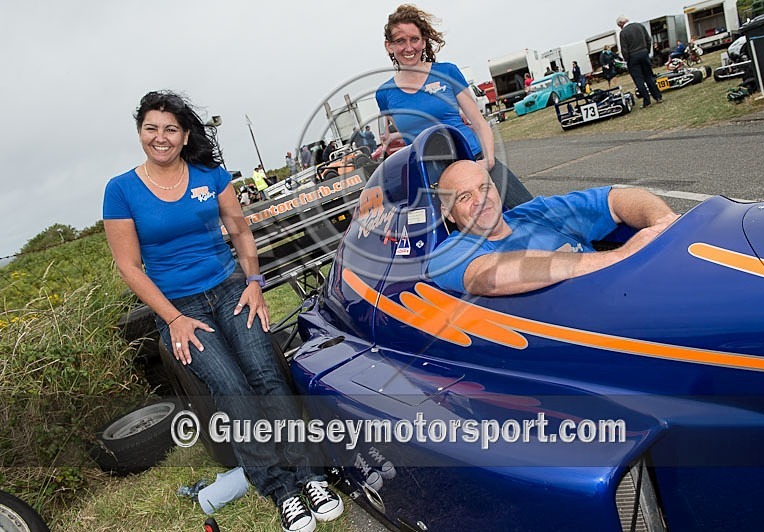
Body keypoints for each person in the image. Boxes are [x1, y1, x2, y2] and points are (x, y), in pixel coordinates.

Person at [102, 90, 343, 532]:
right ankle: (281, 490)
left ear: (185, 133)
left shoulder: (209, 175)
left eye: (170, 129)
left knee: (266, 375)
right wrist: (172, 318)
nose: (161, 137)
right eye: (151, 128)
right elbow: (128, 266)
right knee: (231, 388)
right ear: (140, 133)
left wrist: (254, 283)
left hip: (231, 289)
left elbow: (240, 230)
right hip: (180, 310)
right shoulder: (120, 191)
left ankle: (310, 476)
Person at [427, 160, 678, 295]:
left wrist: (664, 221)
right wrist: (622, 256)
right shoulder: (449, 253)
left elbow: (617, 198)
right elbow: (490, 277)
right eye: (464, 197)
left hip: (633, 290)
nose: (480, 200)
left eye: (484, 188)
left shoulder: (536, 211)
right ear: (448, 213)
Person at [376, 4, 532, 209]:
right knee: (467, 239)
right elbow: (412, 134)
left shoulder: (447, 72)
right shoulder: (384, 94)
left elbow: (478, 122)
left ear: (423, 41)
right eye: (400, 41)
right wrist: (390, 140)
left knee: (531, 216)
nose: (409, 47)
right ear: (389, 46)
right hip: (436, 181)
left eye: (414, 39)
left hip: (474, 162)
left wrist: (489, 160)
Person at [617, 15, 663, 108]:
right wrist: (647, 51)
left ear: (621, 23)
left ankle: (647, 101)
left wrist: (627, 60)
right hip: (644, 53)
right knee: (649, 76)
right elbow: (648, 40)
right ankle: (658, 97)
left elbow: (624, 49)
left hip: (633, 57)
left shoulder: (623, 33)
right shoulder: (640, 26)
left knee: (639, 80)